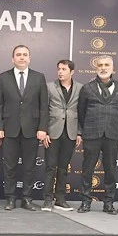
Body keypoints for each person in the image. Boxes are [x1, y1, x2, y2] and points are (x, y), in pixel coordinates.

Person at [0, 45, 49, 211]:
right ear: (13, 59)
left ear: (29, 58)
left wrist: (42, 128)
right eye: (18, 55)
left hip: (32, 129)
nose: (22, 57)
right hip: (9, 129)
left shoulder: (39, 77)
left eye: (25, 54)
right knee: (9, 167)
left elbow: (43, 106)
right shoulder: (3, 77)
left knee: (29, 167)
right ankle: (10, 198)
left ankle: (27, 199)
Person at [77, 55, 118, 214]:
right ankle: (85, 201)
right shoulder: (87, 88)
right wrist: (86, 129)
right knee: (87, 169)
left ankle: (109, 203)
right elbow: (81, 112)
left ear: (113, 68)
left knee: (111, 170)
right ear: (96, 68)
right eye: (100, 65)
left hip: (112, 134)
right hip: (91, 134)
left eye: (106, 65)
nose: (103, 68)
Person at [41, 59, 81, 212]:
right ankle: (47, 200)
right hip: (52, 132)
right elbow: (44, 110)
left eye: (64, 69)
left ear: (72, 72)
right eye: (59, 69)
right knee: (50, 167)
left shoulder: (80, 88)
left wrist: (79, 133)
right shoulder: (49, 87)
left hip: (70, 133)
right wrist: (44, 131)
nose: (60, 72)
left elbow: (82, 111)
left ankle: (60, 199)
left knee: (63, 168)